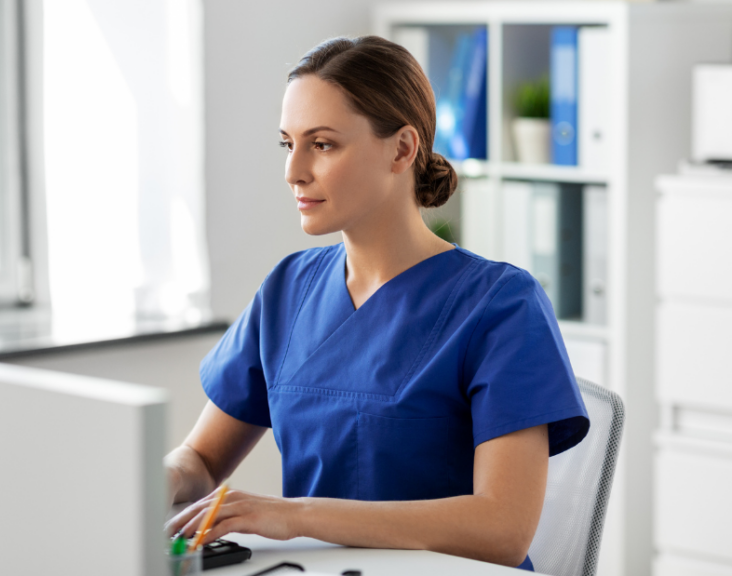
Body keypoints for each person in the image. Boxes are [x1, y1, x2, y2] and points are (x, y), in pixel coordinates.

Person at [164, 36, 589, 571]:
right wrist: (158, 480)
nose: (293, 171)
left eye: (321, 144)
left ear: (402, 149)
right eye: (286, 144)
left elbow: (502, 529)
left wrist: (295, 516)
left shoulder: (501, 305)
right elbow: (201, 459)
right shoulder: (287, 290)